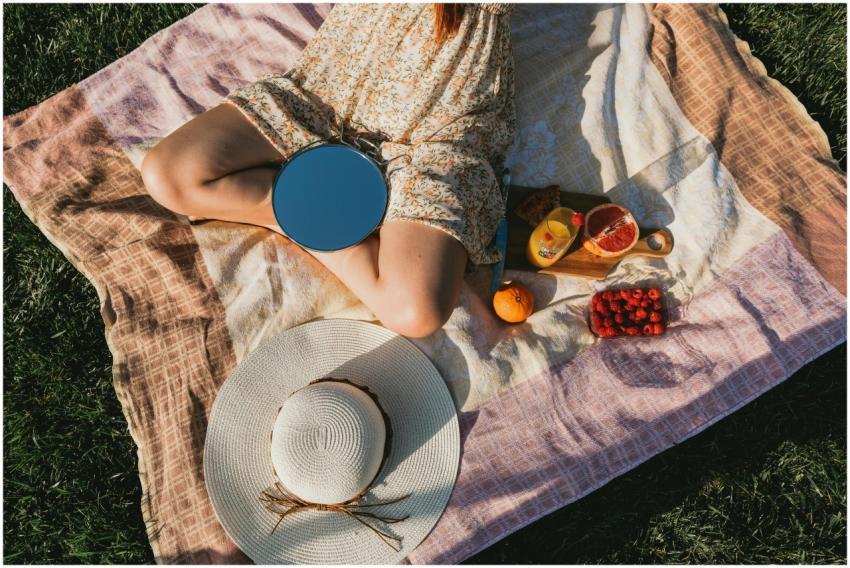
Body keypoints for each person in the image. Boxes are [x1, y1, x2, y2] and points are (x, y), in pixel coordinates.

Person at [141, 3, 516, 338]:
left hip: (434, 133)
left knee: (415, 313)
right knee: (168, 174)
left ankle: (303, 218)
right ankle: (315, 215)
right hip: (329, 96)